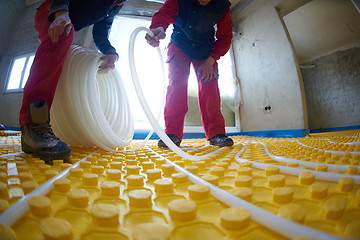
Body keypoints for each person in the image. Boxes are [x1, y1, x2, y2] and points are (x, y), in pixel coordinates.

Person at [19, 0, 126, 161]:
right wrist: (61, 12)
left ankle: (41, 126)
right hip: (52, 9)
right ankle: (33, 126)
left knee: (63, 50)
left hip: (65, 17)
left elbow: (101, 33)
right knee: (64, 33)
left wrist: (110, 52)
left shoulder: (116, 5)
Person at [145, 0, 234, 148]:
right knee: (177, 85)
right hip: (180, 45)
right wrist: (158, 27)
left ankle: (216, 133)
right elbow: (165, 12)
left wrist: (211, 60)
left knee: (210, 87)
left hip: (206, 51)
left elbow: (225, 37)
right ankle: (172, 133)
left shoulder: (222, 5)